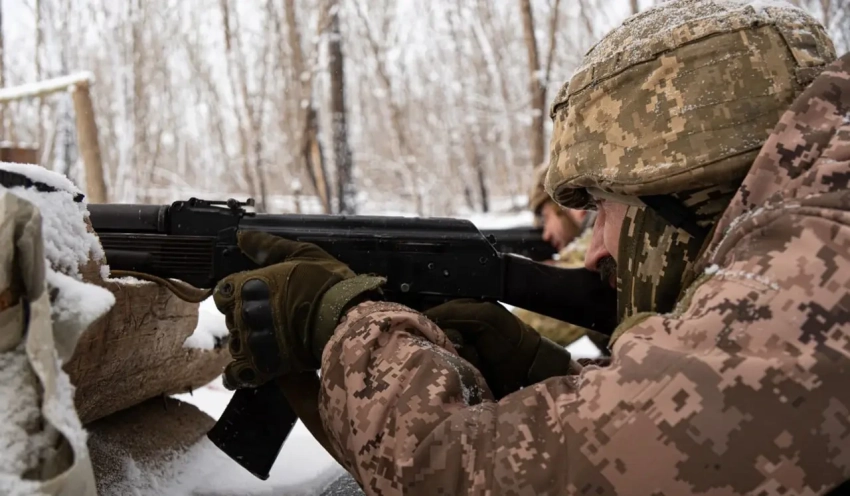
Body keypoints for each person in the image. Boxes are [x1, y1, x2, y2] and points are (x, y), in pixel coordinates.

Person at [213, 1, 850, 494]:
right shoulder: (818, 247)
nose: (595, 251)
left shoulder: (804, 287)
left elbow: (453, 474)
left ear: (688, 192)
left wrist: (343, 319)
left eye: (604, 209)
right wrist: (547, 375)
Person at [514, 162, 609, 350]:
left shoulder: (601, 246)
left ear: (573, 207)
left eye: (545, 217)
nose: (546, 235)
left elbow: (521, 330)